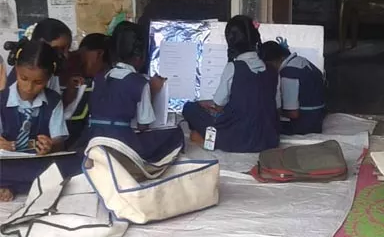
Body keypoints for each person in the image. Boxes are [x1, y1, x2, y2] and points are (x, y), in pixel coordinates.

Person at [86, 21, 183, 162]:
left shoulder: (98, 78)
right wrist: (152, 91)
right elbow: (143, 126)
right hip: (121, 144)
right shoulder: (139, 83)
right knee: (174, 134)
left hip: (92, 141)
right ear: (140, 57)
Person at [182, 15, 280, 153]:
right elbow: (276, 106)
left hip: (236, 139)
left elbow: (219, 106)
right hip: (268, 140)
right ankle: (205, 138)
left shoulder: (234, 67)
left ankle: (207, 140)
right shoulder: (272, 70)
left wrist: (208, 106)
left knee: (190, 108)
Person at [0, 39, 80, 201]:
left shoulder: (53, 101)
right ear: (16, 70)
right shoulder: (1, 100)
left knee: (78, 162)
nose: (29, 87)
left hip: (37, 163)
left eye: (38, 82)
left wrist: (51, 146)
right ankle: (19, 185)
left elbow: (60, 144)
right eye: (24, 78)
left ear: (49, 78)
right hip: (8, 164)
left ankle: (10, 185)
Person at [258, 39, 326, 135]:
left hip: (307, 124)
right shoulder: (300, 61)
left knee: (262, 124)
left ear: (272, 62)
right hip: (318, 117)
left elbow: (293, 113)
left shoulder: (289, 73)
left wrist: (274, 110)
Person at [62, 34, 111, 150]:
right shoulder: (70, 76)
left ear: (99, 53)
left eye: (82, 55)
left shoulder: (108, 81)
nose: (80, 60)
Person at [4, 18, 73, 95]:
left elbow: (53, 104)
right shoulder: (24, 72)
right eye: (58, 49)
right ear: (40, 46)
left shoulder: (51, 70)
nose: (66, 55)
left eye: (68, 49)